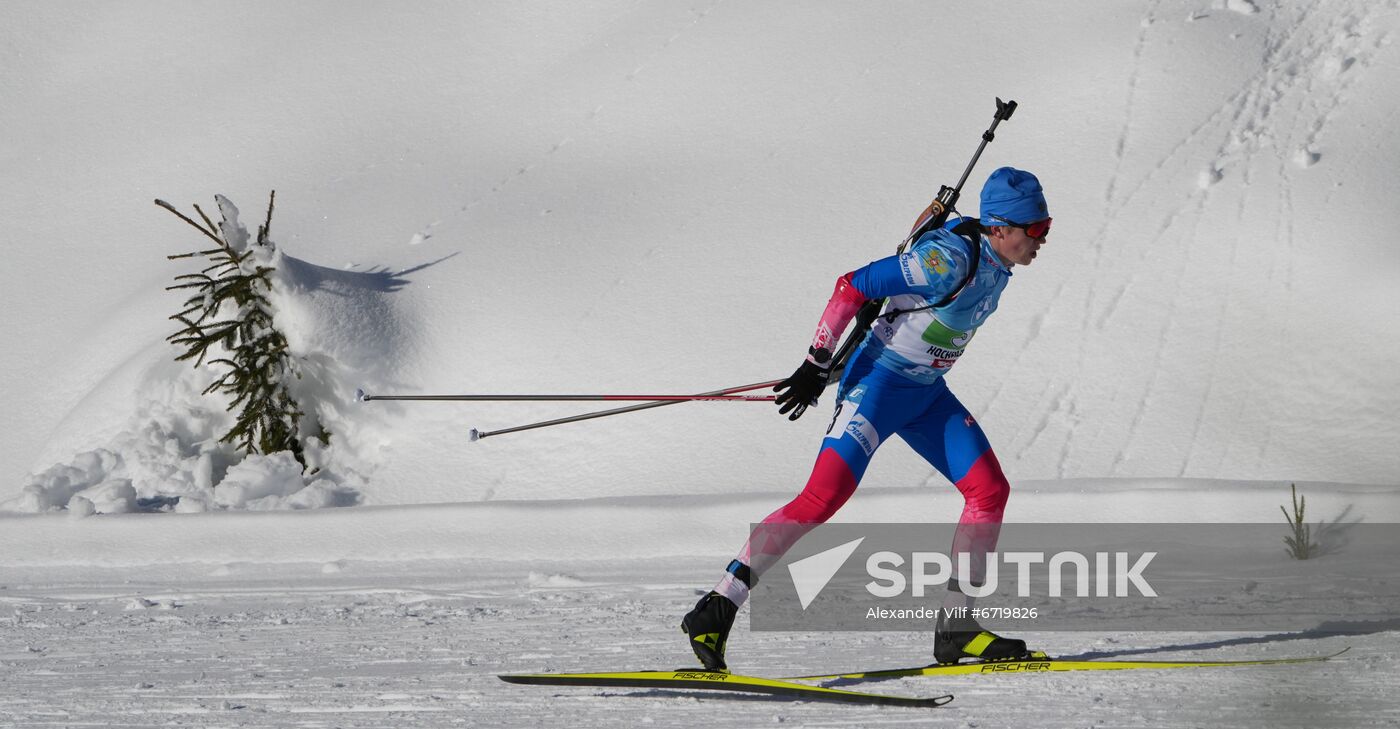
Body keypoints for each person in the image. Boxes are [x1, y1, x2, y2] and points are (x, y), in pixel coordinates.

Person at [681, 167, 1051, 670]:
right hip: (875, 387)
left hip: (925, 394)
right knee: (822, 497)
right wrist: (816, 363)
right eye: (1037, 230)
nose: (1043, 240)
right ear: (1003, 228)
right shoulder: (946, 261)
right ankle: (718, 605)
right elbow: (852, 284)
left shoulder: (996, 257)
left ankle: (957, 627)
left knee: (989, 491)